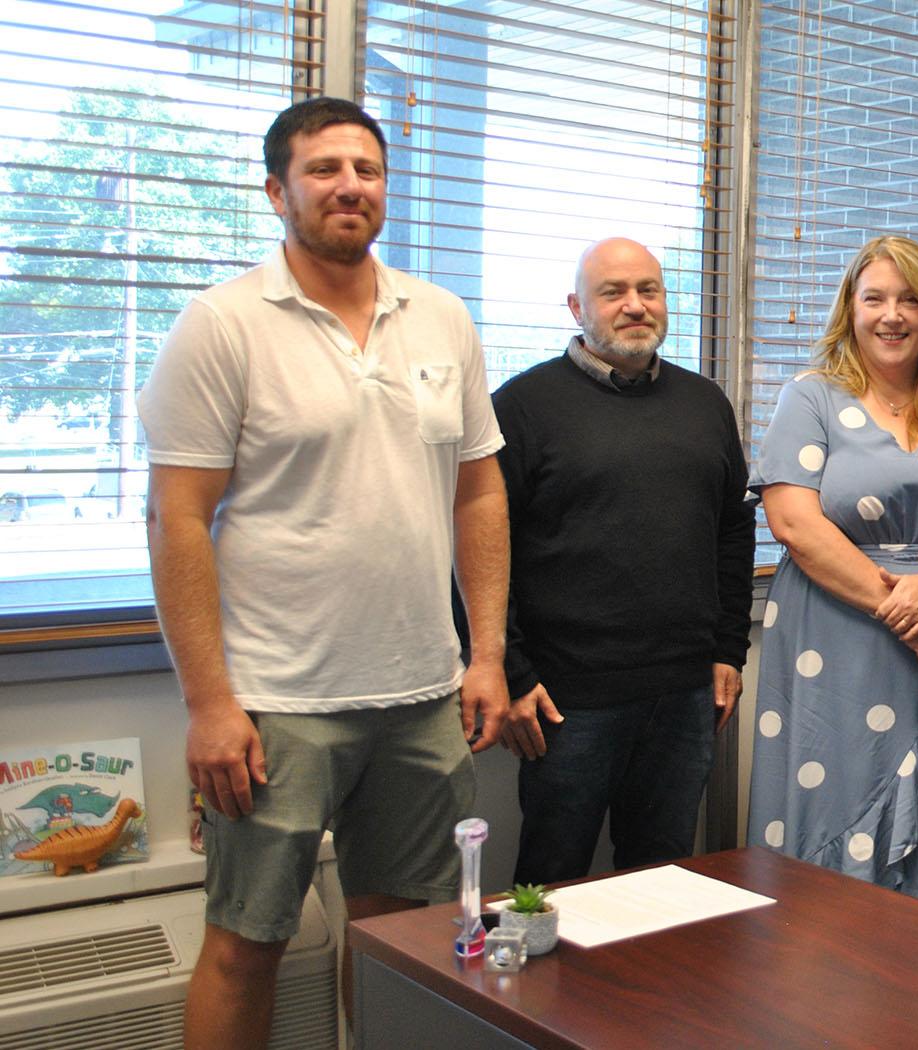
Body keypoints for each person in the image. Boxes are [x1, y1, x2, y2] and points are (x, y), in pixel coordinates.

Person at [139, 98, 509, 1050]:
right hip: (275, 703)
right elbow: (177, 518)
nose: (350, 185)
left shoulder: (442, 317)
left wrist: (488, 656)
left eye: (368, 168)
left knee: (402, 938)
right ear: (278, 191)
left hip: (423, 693)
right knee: (246, 942)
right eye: (324, 169)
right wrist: (209, 702)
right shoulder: (224, 325)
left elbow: (479, 495)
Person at [747, 235, 918, 924]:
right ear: (851, 308)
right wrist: (905, 610)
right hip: (838, 638)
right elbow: (793, 523)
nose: (891, 315)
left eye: (910, 300)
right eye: (874, 298)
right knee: (840, 796)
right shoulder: (810, 398)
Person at [487, 237, 754, 885]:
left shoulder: (704, 404)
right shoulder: (521, 407)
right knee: (551, 883)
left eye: (649, 290)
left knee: (661, 882)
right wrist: (511, 673)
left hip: (686, 693)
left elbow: (732, 532)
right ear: (578, 306)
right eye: (613, 293)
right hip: (567, 701)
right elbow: (482, 550)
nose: (635, 305)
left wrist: (727, 652)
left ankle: (651, 992)